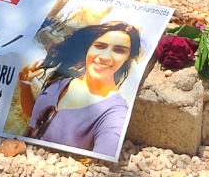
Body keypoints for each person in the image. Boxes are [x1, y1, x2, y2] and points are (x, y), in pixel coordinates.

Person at [16, 22, 141, 159]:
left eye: (119, 50)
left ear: (128, 57)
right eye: (100, 46)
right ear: (89, 47)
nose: (105, 57)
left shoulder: (114, 112)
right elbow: (33, 114)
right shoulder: (60, 81)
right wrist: (25, 85)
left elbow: (102, 159)